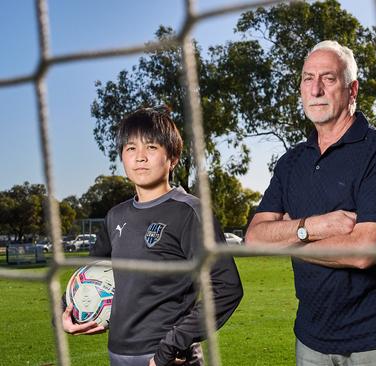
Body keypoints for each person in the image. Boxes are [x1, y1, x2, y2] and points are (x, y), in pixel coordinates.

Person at [245, 40, 376, 365]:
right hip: (310, 342)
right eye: (308, 78)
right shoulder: (291, 162)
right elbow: (254, 238)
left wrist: (287, 235)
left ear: (352, 89)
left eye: (328, 78)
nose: (315, 89)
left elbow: (362, 252)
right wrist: (317, 226)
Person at [61, 107, 243, 366]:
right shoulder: (115, 216)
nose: (140, 157)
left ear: (173, 157)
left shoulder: (189, 212)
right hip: (118, 354)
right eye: (131, 148)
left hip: (169, 357)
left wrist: (171, 347)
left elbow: (226, 288)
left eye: (152, 147)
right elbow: (89, 274)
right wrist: (66, 311)